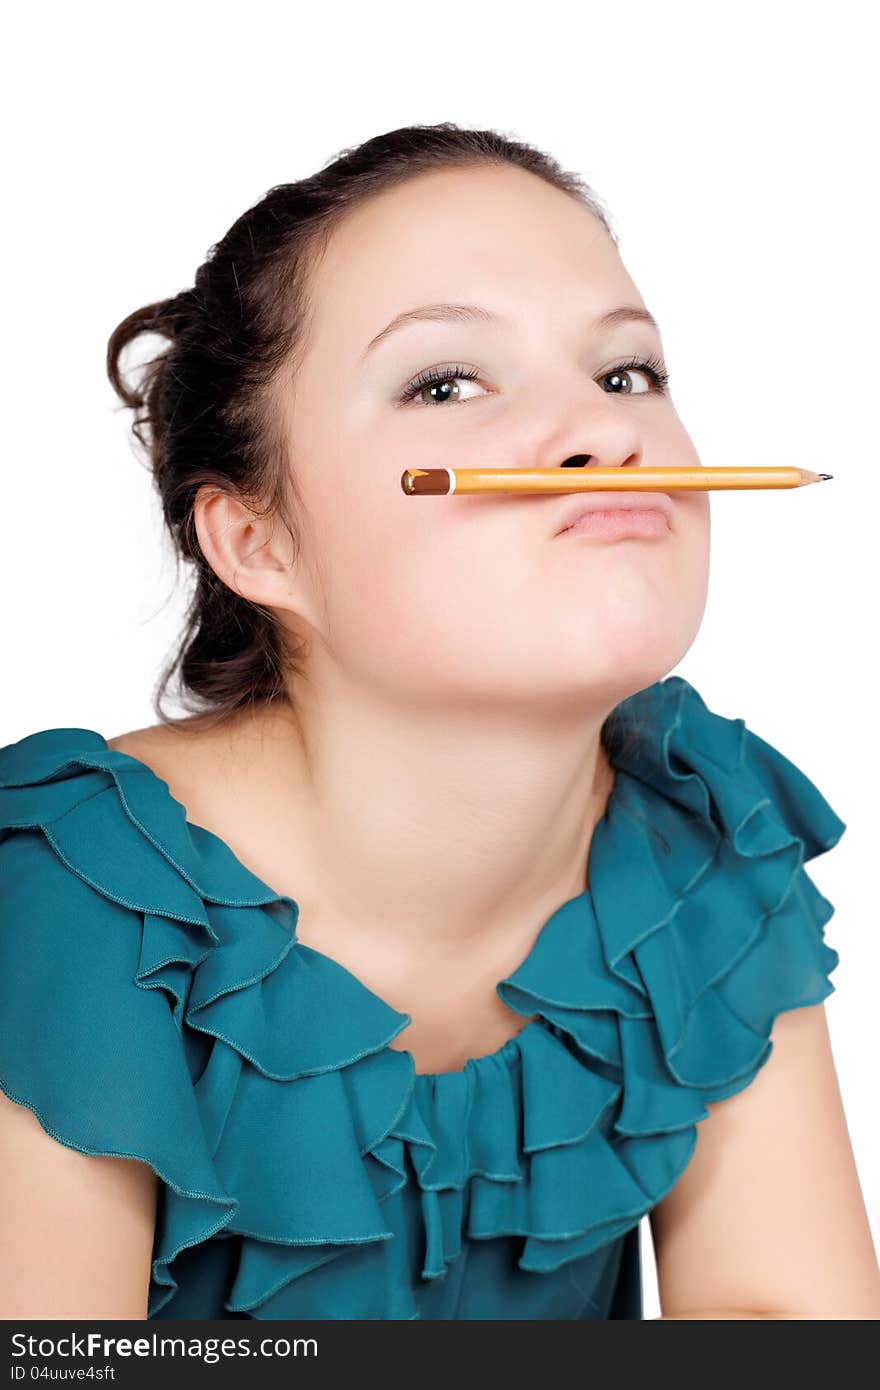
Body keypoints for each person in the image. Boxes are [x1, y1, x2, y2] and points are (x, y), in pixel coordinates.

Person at [1, 123, 877, 1322]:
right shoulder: (67, 897)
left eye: (626, 374)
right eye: (445, 383)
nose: (605, 437)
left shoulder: (705, 848)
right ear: (255, 542)